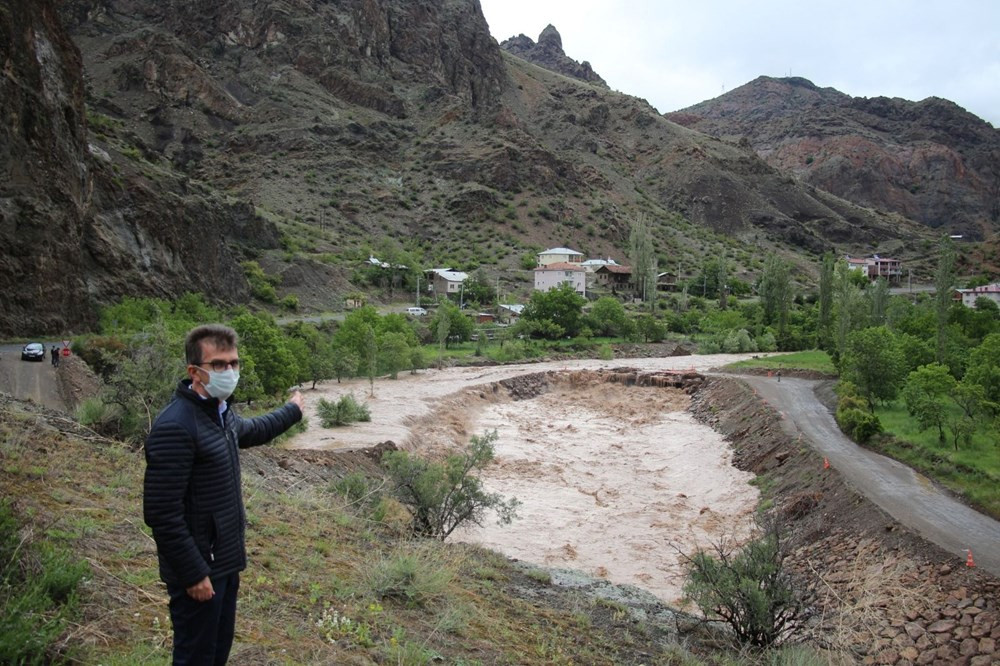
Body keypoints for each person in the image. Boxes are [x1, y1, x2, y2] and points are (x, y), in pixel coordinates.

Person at [143, 324, 304, 665]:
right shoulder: (176, 426)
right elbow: (161, 513)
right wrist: (193, 574)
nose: (229, 371)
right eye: (218, 364)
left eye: (233, 363)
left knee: (216, 653)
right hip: (201, 570)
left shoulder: (220, 413)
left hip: (225, 562)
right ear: (194, 372)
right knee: (195, 657)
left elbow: (253, 430)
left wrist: (292, 411)